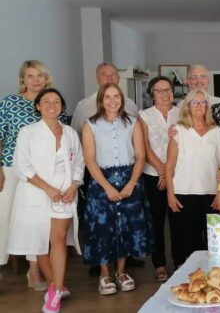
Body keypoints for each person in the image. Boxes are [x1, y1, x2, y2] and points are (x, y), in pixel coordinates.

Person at [6, 88, 83, 312]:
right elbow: (22, 166)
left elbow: (79, 162)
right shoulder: (28, 132)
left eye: (57, 101)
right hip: (36, 193)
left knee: (58, 241)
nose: (52, 105)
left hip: (64, 195)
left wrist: (74, 185)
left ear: (62, 106)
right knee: (39, 242)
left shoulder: (70, 133)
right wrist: (48, 189)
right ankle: (55, 286)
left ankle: (56, 290)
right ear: (38, 106)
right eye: (46, 101)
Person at [81, 83, 152, 295]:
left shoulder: (132, 122)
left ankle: (121, 272)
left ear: (122, 99)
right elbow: (89, 160)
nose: (112, 101)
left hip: (129, 179)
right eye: (107, 97)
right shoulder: (90, 124)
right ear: (101, 100)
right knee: (104, 229)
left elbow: (141, 156)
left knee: (126, 227)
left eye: (116, 97)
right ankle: (105, 274)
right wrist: (106, 187)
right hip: (101, 181)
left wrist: (131, 183)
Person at [0, 60, 65, 290]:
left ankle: (34, 271)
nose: (36, 80)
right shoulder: (9, 103)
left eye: (40, 75)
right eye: (30, 76)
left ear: (46, 78)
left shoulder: (51, 103)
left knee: (35, 221)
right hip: (9, 168)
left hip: (41, 174)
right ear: (23, 80)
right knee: (5, 218)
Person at [165, 90, 220, 267]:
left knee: (210, 242)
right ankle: (182, 276)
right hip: (183, 193)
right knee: (183, 240)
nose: (199, 106)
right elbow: (169, 167)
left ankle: (210, 276)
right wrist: (170, 194)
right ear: (187, 106)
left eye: (202, 103)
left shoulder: (216, 132)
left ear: (207, 106)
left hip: (211, 194)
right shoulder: (178, 131)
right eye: (194, 103)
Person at [138, 76, 178, 282]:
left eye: (168, 89)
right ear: (152, 94)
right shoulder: (144, 116)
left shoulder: (181, 112)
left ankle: (180, 261)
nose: (165, 94)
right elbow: (144, 146)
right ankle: (159, 264)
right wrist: (162, 171)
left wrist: (169, 173)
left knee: (177, 220)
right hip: (153, 176)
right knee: (156, 221)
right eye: (159, 90)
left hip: (178, 175)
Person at [71, 62, 138, 134]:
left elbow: (136, 132)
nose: (109, 78)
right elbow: (75, 136)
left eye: (113, 74)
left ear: (118, 78)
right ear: (97, 79)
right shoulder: (83, 106)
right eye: (104, 74)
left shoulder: (130, 104)